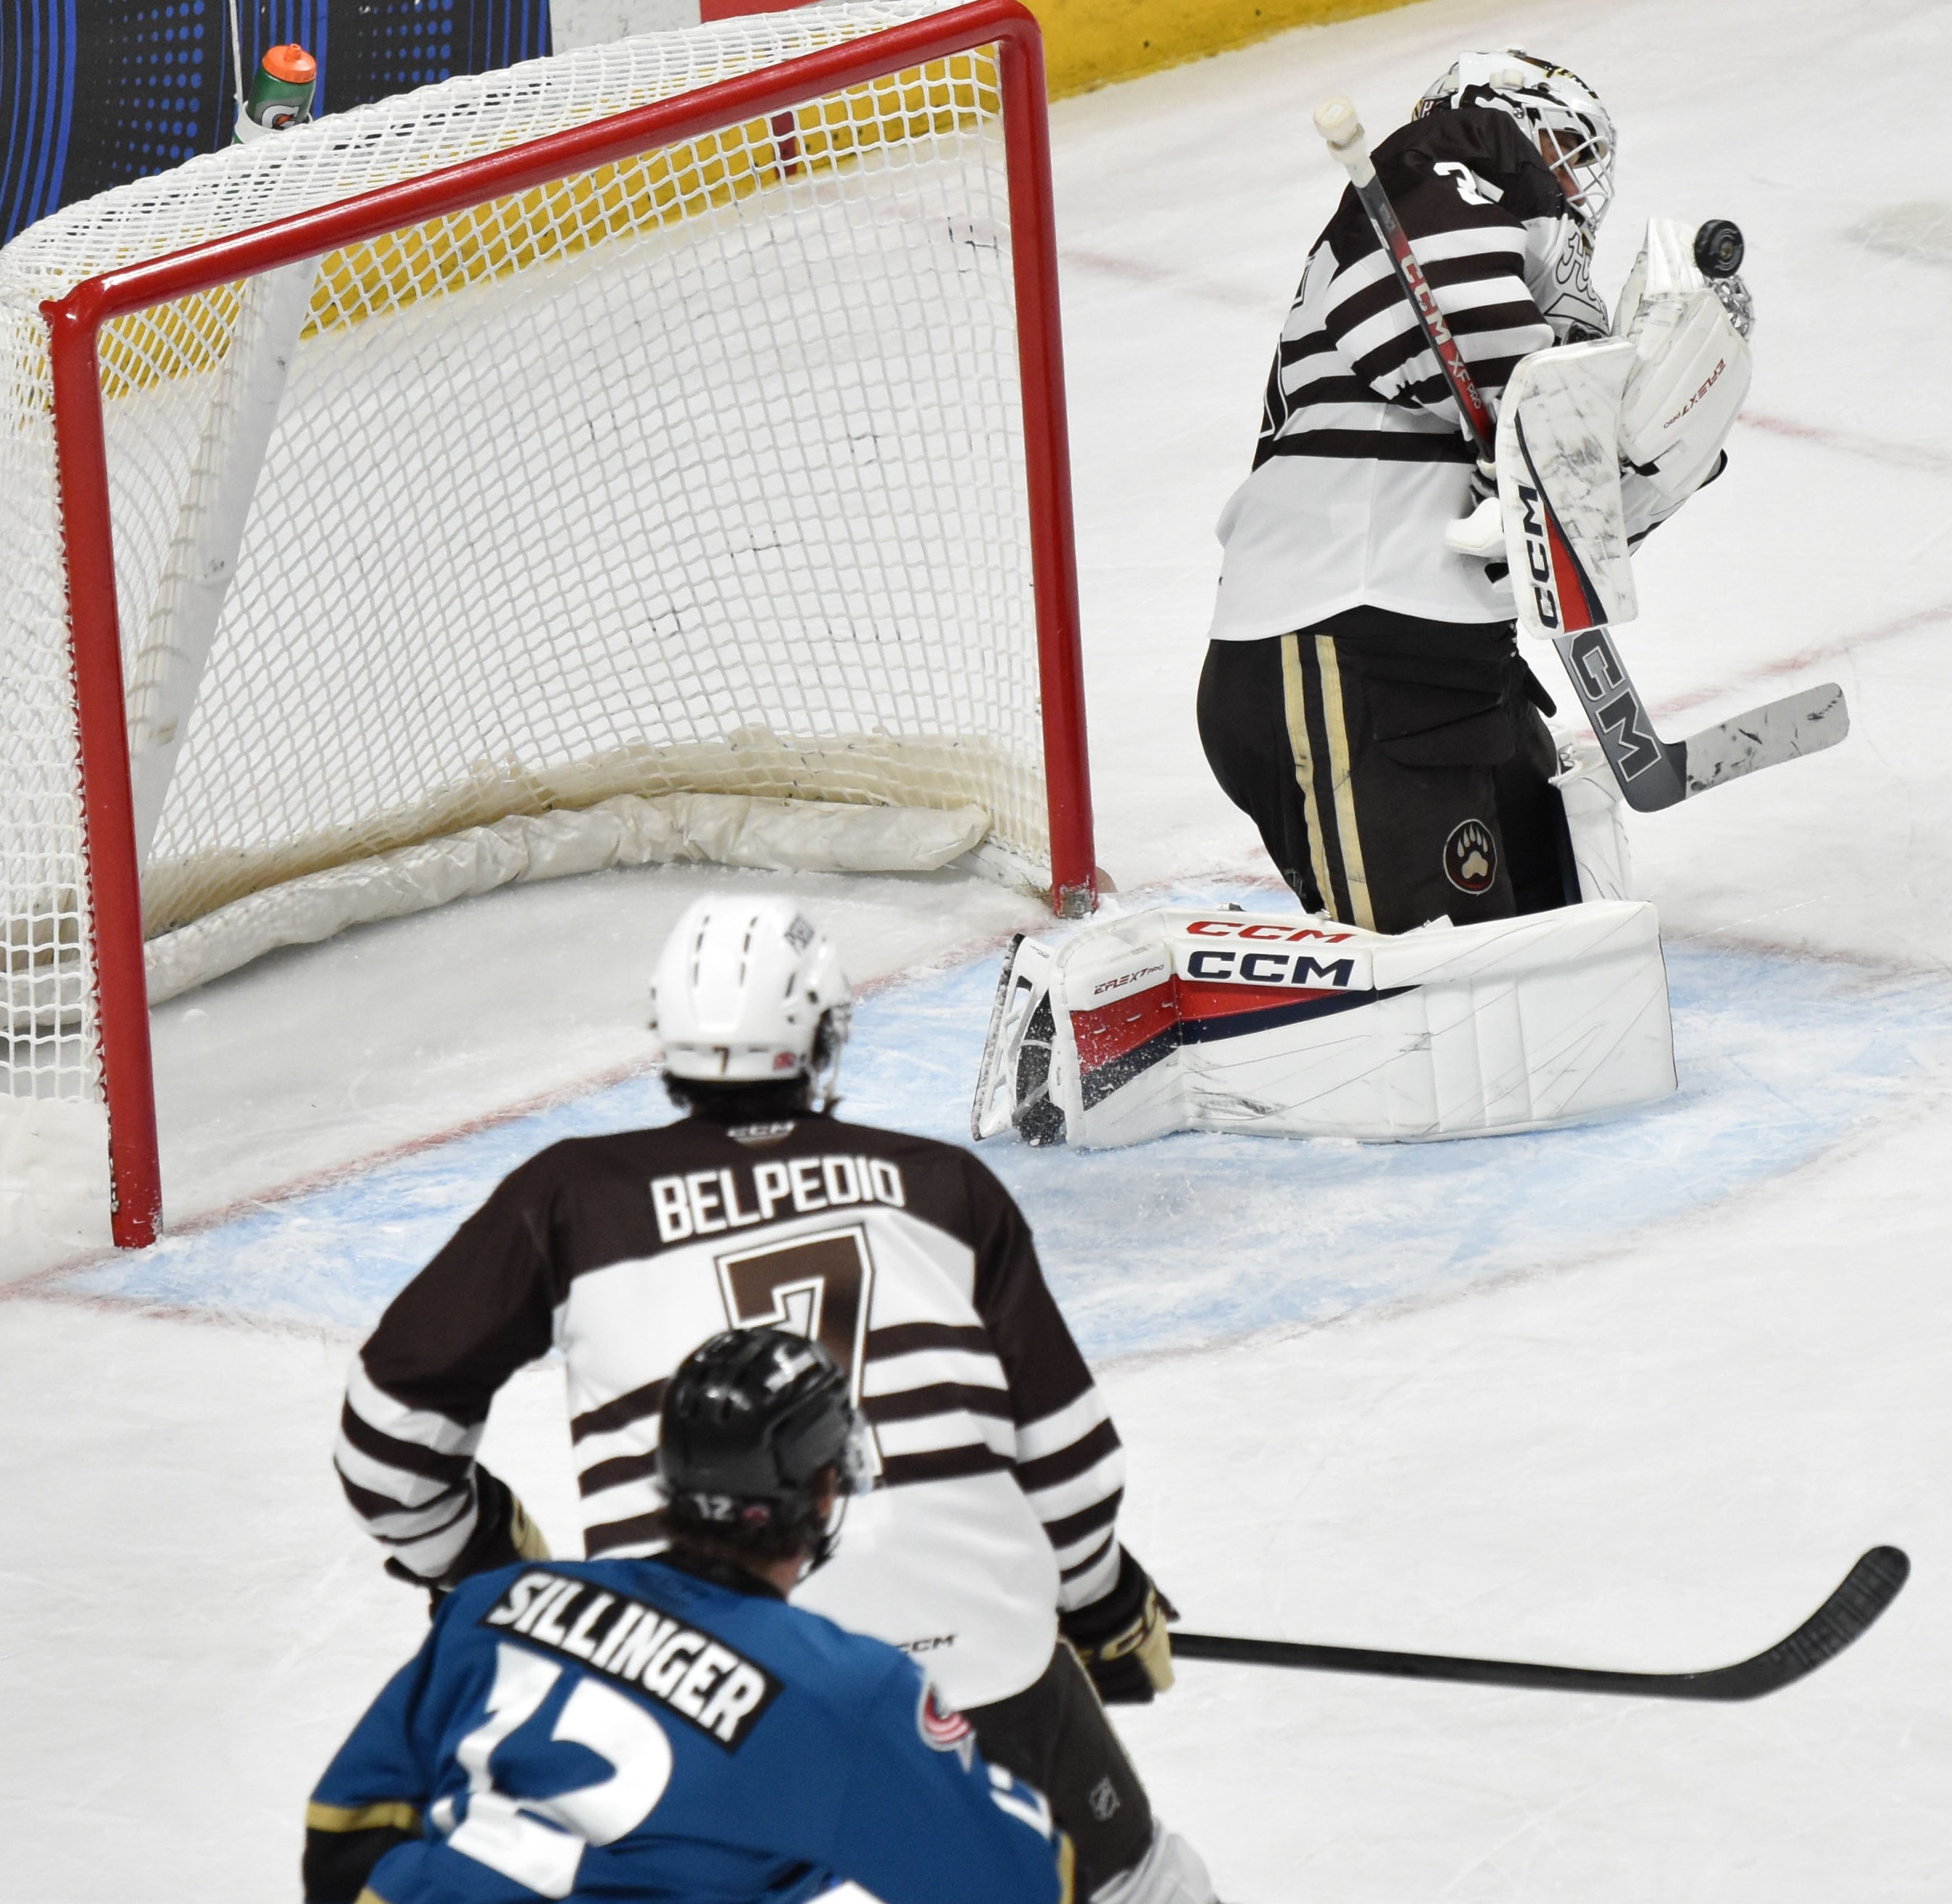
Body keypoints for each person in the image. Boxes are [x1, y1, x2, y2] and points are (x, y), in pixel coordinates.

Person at [332, 894, 1215, 1904]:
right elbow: (1068, 1459)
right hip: (981, 1673)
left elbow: (387, 1450)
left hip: (702, 1691)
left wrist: (487, 1560)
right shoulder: (941, 1184)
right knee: (1146, 1885)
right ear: (827, 1030)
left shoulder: (568, 1197)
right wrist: (1101, 1602)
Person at [304, 1328, 1073, 1904]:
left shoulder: (492, 1601)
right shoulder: (848, 1692)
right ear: (822, 1490)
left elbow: (345, 1823)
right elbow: (1020, 1884)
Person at [1199, 50, 1675, 934]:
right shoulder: (1444, 155)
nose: (1568, 183)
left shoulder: (1500, 247)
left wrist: (1666, 429)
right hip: (1341, 651)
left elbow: (1546, 526)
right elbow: (1459, 338)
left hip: (1446, 669)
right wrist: (1572, 405)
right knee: (1454, 985)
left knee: (1554, 948)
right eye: (1558, 149)